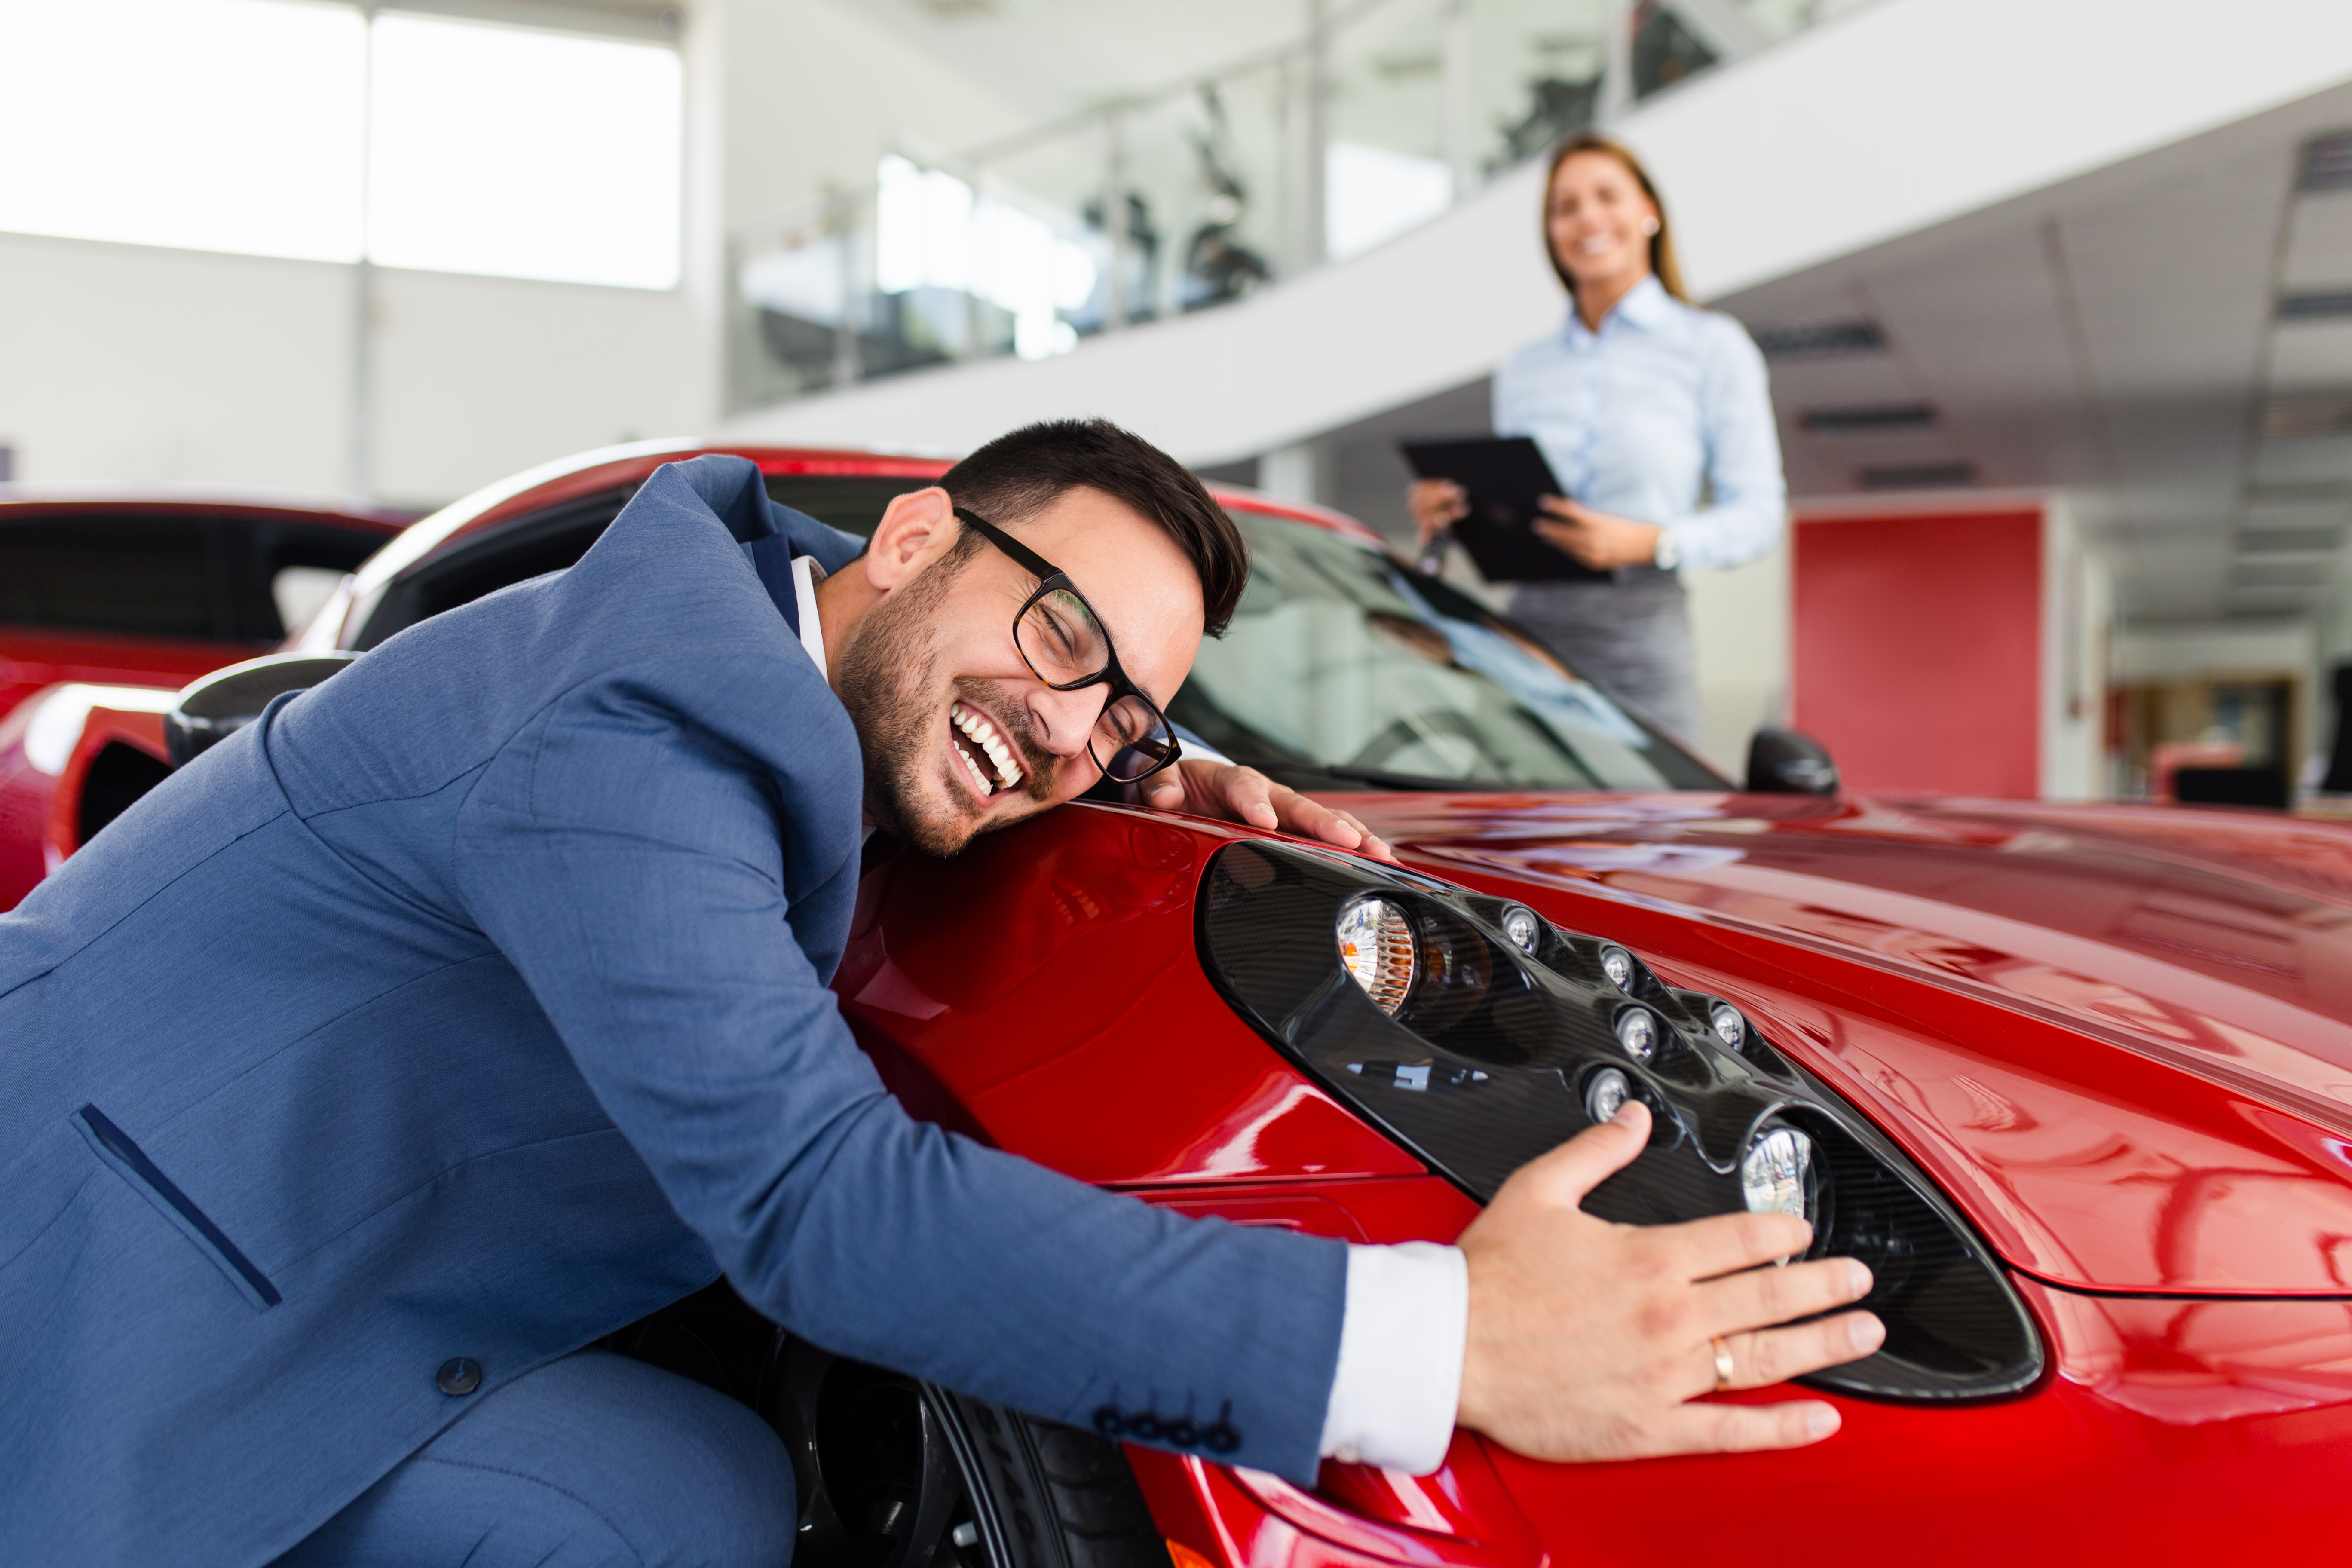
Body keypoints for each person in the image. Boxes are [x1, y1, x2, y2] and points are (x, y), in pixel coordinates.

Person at [0, 421, 1879, 1568]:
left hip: (321, 1246)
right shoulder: (619, 727)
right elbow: (822, 1210)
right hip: (102, 1311)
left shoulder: (769, 623)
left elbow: (958, 695)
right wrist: (1446, 1345)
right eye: (1062, 641)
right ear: (908, 542)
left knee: (699, 1498)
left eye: (1127, 705)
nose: (1073, 730)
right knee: (671, 1520)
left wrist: (1133, 764)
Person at [1409, 132, 1787, 750]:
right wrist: (1453, 515)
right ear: (1552, 235)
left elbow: (1760, 515)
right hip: (1530, 645)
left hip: (1644, 643)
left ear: (1650, 212)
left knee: (1654, 837)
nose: (1586, 218)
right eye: (1565, 207)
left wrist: (1654, 542)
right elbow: (1519, 509)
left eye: (1606, 196)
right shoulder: (1523, 368)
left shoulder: (1713, 347)